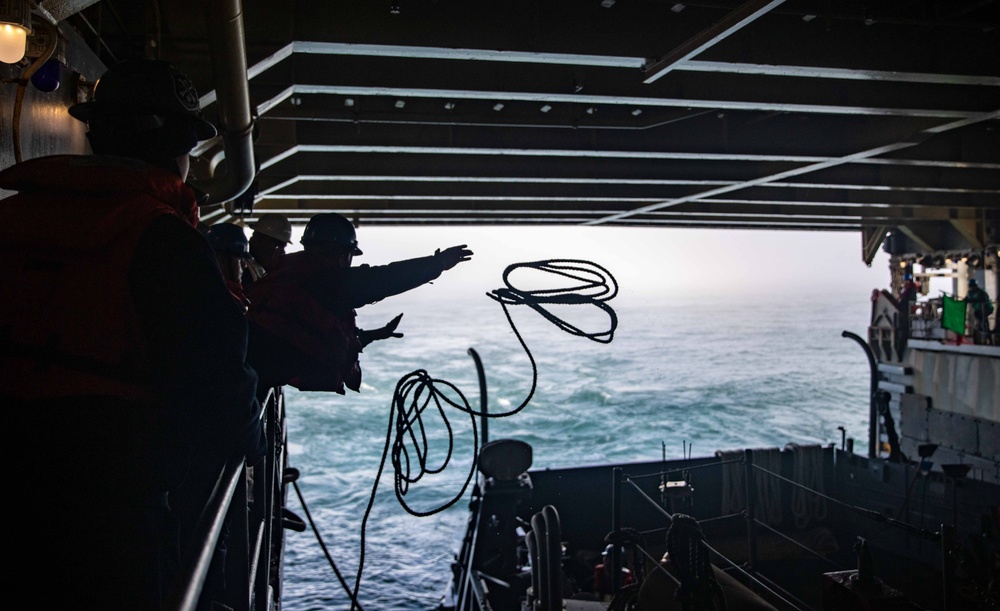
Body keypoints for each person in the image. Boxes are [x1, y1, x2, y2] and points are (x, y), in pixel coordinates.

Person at [0, 58, 263, 609]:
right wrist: (248, 436)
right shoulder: (162, 238)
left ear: (95, 133)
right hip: (110, 497)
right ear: (176, 147)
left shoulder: (12, 218)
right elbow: (212, 370)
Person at [245, 212, 472, 392]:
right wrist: (438, 263)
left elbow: (312, 331)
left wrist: (372, 335)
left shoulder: (293, 276)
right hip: (250, 388)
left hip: (251, 374)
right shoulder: (326, 281)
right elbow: (384, 279)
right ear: (340, 253)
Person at [206, 221, 254, 308]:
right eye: (240, 258)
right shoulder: (217, 300)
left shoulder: (234, 295)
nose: (244, 265)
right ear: (220, 259)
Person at [243, 212, 292, 287]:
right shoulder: (242, 268)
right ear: (260, 240)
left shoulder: (257, 267)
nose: (282, 253)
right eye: (278, 246)